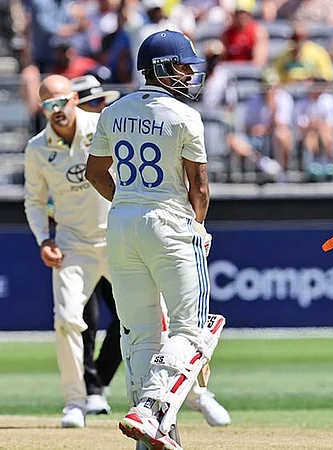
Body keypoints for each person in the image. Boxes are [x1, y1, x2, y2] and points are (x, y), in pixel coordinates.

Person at [85, 30, 219, 450]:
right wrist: (197, 227)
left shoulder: (112, 111)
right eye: (182, 66)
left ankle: (150, 435)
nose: (188, 73)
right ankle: (153, 409)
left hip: (121, 223)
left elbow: (95, 172)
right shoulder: (184, 116)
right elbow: (199, 186)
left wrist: (127, 200)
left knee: (140, 332)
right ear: (161, 68)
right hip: (171, 222)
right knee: (193, 329)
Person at [23, 74, 107, 429]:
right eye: (49, 105)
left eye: (61, 102)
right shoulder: (37, 148)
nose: (57, 111)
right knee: (67, 320)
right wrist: (45, 240)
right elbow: (34, 201)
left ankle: (175, 397)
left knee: (149, 320)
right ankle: (75, 403)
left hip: (119, 237)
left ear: (74, 99)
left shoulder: (104, 127)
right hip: (73, 244)